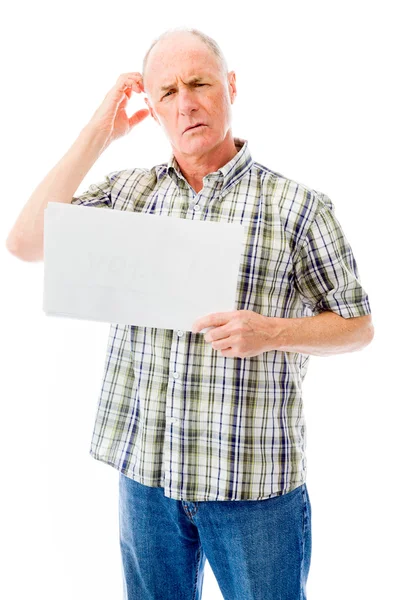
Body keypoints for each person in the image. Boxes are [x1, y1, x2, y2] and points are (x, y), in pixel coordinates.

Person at [5, 26, 374, 600]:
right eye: (168, 93)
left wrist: (273, 332)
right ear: (152, 110)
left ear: (230, 86)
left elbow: (359, 326)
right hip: (146, 481)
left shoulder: (299, 207)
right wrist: (99, 132)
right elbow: (25, 242)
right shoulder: (127, 195)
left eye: (200, 83)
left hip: (253, 487)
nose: (188, 103)